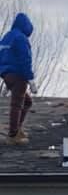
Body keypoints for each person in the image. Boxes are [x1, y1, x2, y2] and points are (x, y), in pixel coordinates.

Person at [0, 12, 35, 145]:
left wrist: (4, 77)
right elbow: (24, 59)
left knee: (27, 102)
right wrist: (30, 79)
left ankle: (17, 129)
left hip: (7, 75)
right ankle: (13, 134)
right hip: (19, 75)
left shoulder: (6, 37)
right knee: (17, 104)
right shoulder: (21, 38)